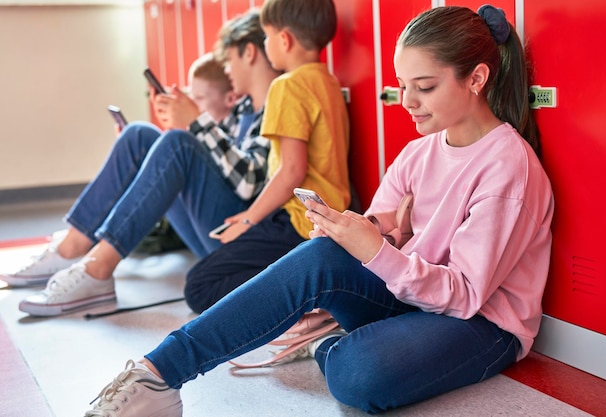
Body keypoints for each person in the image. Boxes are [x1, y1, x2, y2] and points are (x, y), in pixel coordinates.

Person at [83, 4, 554, 416]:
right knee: (319, 258)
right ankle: (157, 375)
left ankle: (331, 346)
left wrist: (378, 250)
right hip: (415, 295)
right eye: (402, 85)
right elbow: (382, 223)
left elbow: (467, 296)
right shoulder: (420, 151)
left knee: (358, 376)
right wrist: (362, 231)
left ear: (476, 78)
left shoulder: (508, 168)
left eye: (424, 87)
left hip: (482, 325)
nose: (406, 102)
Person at [5, 25, 280, 316]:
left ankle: (97, 270)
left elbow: (249, 182)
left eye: (228, 60)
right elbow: (216, 165)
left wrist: (195, 124)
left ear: (249, 54)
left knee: (177, 144)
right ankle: (71, 248)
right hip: (213, 226)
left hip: (238, 236)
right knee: (139, 136)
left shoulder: (277, 105)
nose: (226, 69)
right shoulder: (241, 109)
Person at [181, 0, 351, 314]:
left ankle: (309, 297)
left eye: (267, 38)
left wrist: (248, 219)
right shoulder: (326, 81)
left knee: (199, 286)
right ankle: (307, 285)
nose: (265, 45)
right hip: (326, 221)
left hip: (296, 222)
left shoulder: (286, 86)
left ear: (283, 40)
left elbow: (291, 171)